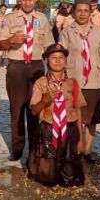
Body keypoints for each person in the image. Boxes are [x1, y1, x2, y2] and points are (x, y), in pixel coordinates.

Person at [0, 0, 54, 161]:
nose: (28, 3)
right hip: (17, 66)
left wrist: (51, 71)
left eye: (31, 0)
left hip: (37, 66)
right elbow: (0, 44)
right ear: (19, 0)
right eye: (24, 0)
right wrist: (11, 40)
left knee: (35, 108)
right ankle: (17, 147)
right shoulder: (9, 18)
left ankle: (34, 147)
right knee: (17, 108)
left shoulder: (43, 19)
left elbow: (48, 47)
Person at [58, 0, 100, 164]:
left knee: (91, 119)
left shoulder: (97, 32)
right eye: (79, 10)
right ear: (73, 12)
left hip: (94, 81)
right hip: (74, 81)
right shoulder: (66, 32)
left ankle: (88, 150)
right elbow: (60, 56)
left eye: (86, 11)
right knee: (75, 118)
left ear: (91, 12)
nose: (82, 14)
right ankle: (75, 148)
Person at [28, 44, 85, 187]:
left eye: (61, 58)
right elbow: (34, 110)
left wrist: (81, 139)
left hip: (69, 129)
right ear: (46, 60)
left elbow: (78, 110)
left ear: (66, 60)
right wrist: (45, 100)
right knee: (48, 178)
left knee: (71, 178)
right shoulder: (41, 83)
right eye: (53, 58)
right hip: (48, 130)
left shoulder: (73, 83)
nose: (58, 61)